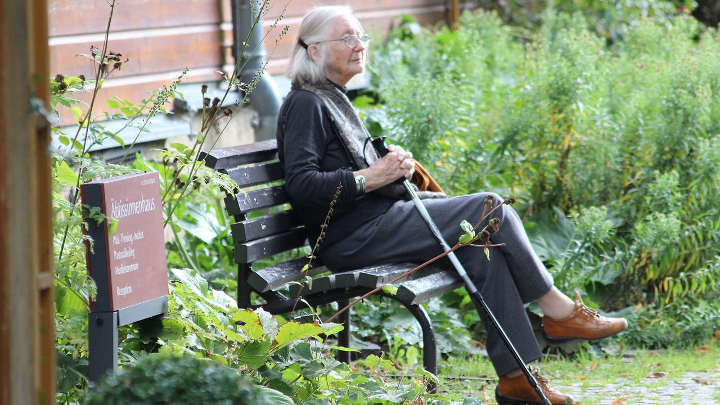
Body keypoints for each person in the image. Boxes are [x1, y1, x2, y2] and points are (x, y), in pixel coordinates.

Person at [276, 6, 628, 405]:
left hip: (375, 224)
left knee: (481, 247)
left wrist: (391, 167)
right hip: (353, 239)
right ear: (315, 52)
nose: (360, 46)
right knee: (488, 209)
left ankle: (517, 380)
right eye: (348, 38)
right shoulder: (306, 103)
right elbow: (302, 187)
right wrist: (372, 176)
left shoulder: (331, 97)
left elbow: (348, 170)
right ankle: (558, 311)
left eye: (361, 36)